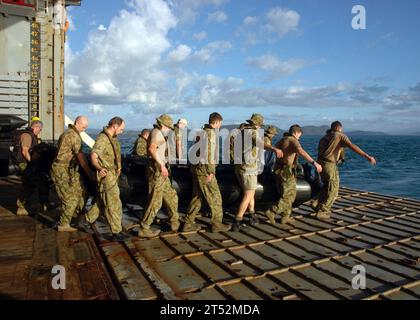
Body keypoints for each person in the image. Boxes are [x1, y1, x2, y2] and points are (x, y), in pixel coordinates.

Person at [313, 121, 376, 220]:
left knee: (326, 186)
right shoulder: (340, 135)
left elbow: (319, 154)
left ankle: (316, 202)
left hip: (321, 164)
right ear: (339, 128)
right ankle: (323, 211)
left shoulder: (324, 138)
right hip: (330, 165)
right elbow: (352, 146)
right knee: (334, 190)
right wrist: (367, 156)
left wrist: (317, 168)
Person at [232, 114, 283, 231]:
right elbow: (260, 144)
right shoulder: (252, 132)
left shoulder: (242, 132)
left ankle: (251, 214)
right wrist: (274, 148)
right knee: (248, 195)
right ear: (257, 124)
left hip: (241, 166)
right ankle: (237, 220)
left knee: (251, 192)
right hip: (248, 168)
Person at [182, 112, 231, 233]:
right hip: (205, 171)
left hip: (197, 169)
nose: (220, 126)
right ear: (216, 122)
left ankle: (188, 223)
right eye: (220, 123)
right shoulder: (211, 134)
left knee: (197, 197)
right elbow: (208, 154)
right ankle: (216, 223)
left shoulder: (201, 133)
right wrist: (211, 172)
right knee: (216, 197)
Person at [264, 125, 323, 224]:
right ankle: (272, 211)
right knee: (290, 195)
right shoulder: (293, 140)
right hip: (286, 170)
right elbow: (301, 151)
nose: (299, 137)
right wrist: (314, 163)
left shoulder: (282, 140)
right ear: (296, 133)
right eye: (299, 135)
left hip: (278, 169)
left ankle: (285, 216)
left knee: (284, 193)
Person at [83, 117, 129, 242]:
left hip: (113, 174)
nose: (122, 131)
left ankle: (86, 220)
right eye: (121, 129)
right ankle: (116, 232)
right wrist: (99, 168)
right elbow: (93, 155)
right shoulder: (103, 139)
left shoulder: (112, 138)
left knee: (102, 202)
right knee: (113, 203)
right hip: (106, 174)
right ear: (115, 126)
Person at [138, 114, 180, 238]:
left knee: (171, 196)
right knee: (155, 201)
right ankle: (144, 227)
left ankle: (174, 222)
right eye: (168, 127)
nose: (169, 129)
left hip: (162, 171)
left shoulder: (160, 133)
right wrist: (161, 165)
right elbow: (151, 149)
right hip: (157, 171)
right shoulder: (157, 133)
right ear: (162, 124)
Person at [51, 116, 95, 232]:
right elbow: (80, 156)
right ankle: (63, 224)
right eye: (83, 127)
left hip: (67, 169)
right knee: (69, 198)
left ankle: (74, 216)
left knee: (79, 191)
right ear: (77, 123)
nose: (84, 130)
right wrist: (89, 172)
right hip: (61, 169)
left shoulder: (68, 133)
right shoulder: (74, 136)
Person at [13, 119, 48, 216]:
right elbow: (25, 151)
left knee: (31, 184)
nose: (39, 131)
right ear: (36, 127)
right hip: (25, 163)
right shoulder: (27, 135)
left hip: (27, 163)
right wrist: (32, 162)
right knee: (29, 184)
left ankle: (26, 205)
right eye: (40, 129)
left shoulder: (31, 135)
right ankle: (21, 207)